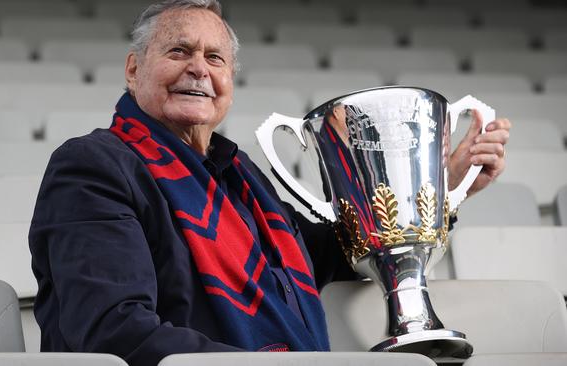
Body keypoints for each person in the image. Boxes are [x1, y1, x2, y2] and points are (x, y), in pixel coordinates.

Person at [28, 1, 511, 365]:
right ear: (134, 70)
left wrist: (443, 186)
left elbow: (318, 254)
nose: (199, 68)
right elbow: (115, 332)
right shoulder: (93, 167)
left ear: (229, 83)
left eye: (216, 58)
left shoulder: (237, 174)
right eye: (179, 51)